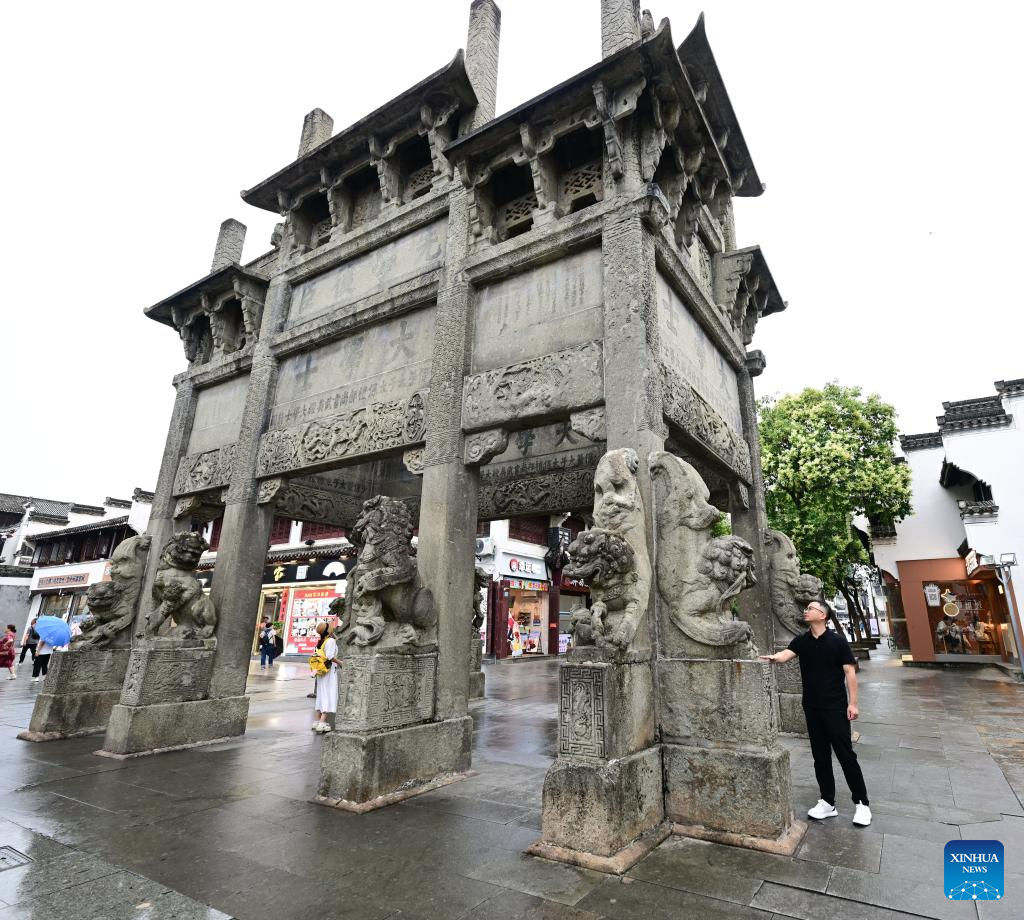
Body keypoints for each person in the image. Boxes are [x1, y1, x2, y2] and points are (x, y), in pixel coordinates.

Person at [760, 600, 871, 827]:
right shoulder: (802, 641)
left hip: (835, 707)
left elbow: (849, 672)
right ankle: (827, 802)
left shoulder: (838, 641)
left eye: (810, 608)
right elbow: (785, 655)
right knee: (820, 757)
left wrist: (853, 704)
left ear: (823, 615)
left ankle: (862, 803)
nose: (806, 611)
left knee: (845, 755)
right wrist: (771, 658)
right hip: (811, 707)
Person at [312, 621, 342, 733]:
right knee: (328, 694)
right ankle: (322, 722)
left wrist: (332, 635)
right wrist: (340, 663)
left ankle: (317, 721)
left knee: (321, 694)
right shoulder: (330, 641)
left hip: (321, 671)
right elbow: (330, 656)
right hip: (329, 671)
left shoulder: (321, 642)